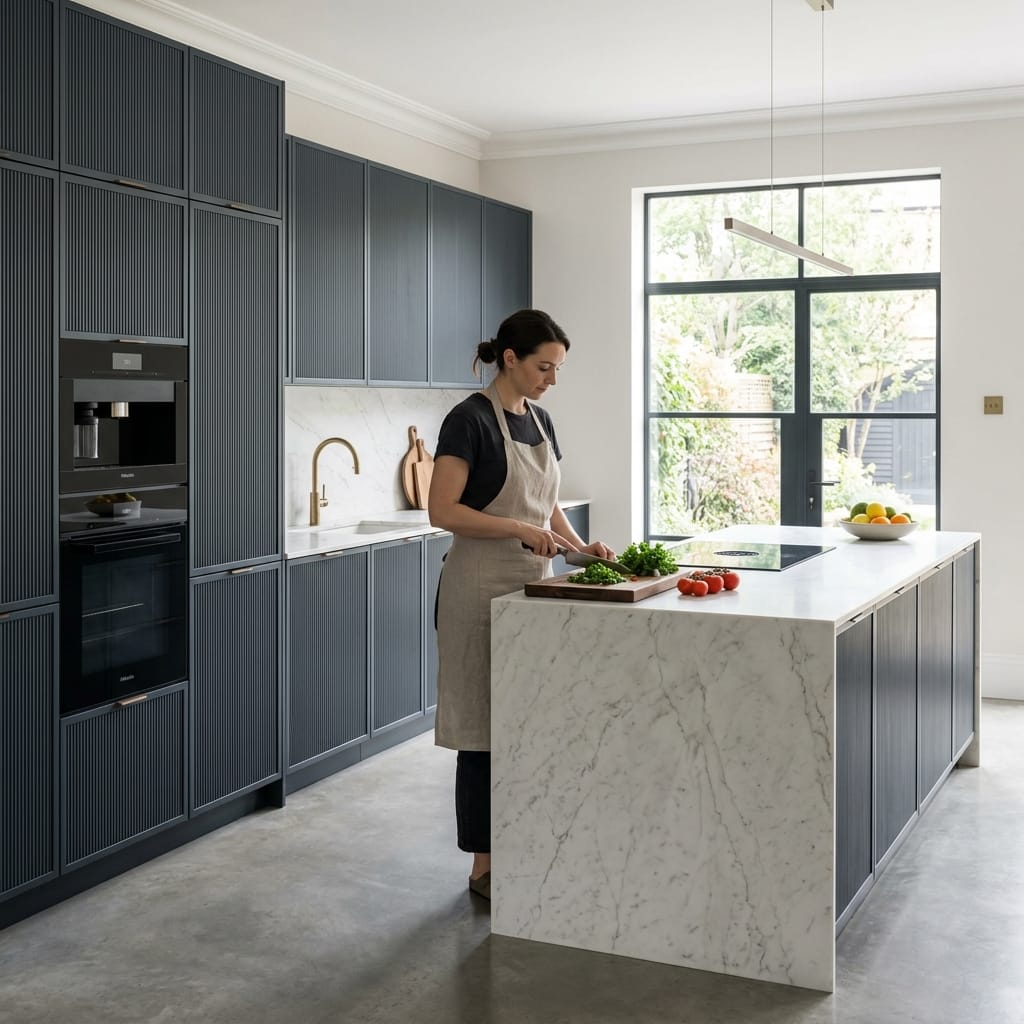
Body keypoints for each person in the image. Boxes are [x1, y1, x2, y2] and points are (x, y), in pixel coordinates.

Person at [428, 308, 616, 901]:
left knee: (528, 720)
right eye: (544, 367)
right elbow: (443, 512)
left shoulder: (541, 418)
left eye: (557, 369)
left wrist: (581, 549)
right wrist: (514, 527)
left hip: (534, 587)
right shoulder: (468, 421)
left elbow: (546, 505)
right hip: (478, 589)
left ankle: (526, 841)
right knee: (484, 728)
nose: (550, 379)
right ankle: (485, 865)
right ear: (510, 358)